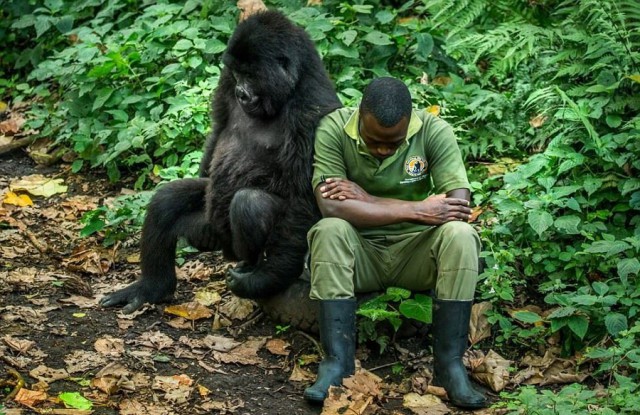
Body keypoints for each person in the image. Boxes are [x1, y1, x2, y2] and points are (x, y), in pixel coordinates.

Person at [302, 77, 487, 409]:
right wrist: (418, 208)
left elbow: (458, 208)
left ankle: (449, 366)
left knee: (461, 236)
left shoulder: (434, 131)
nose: (383, 150)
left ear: (410, 123)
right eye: (374, 142)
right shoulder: (334, 128)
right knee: (329, 229)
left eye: (394, 143)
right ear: (359, 118)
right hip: (359, 253)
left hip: (417, 254)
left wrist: (367, 200)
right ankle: (337, 364)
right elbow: (331, 206)